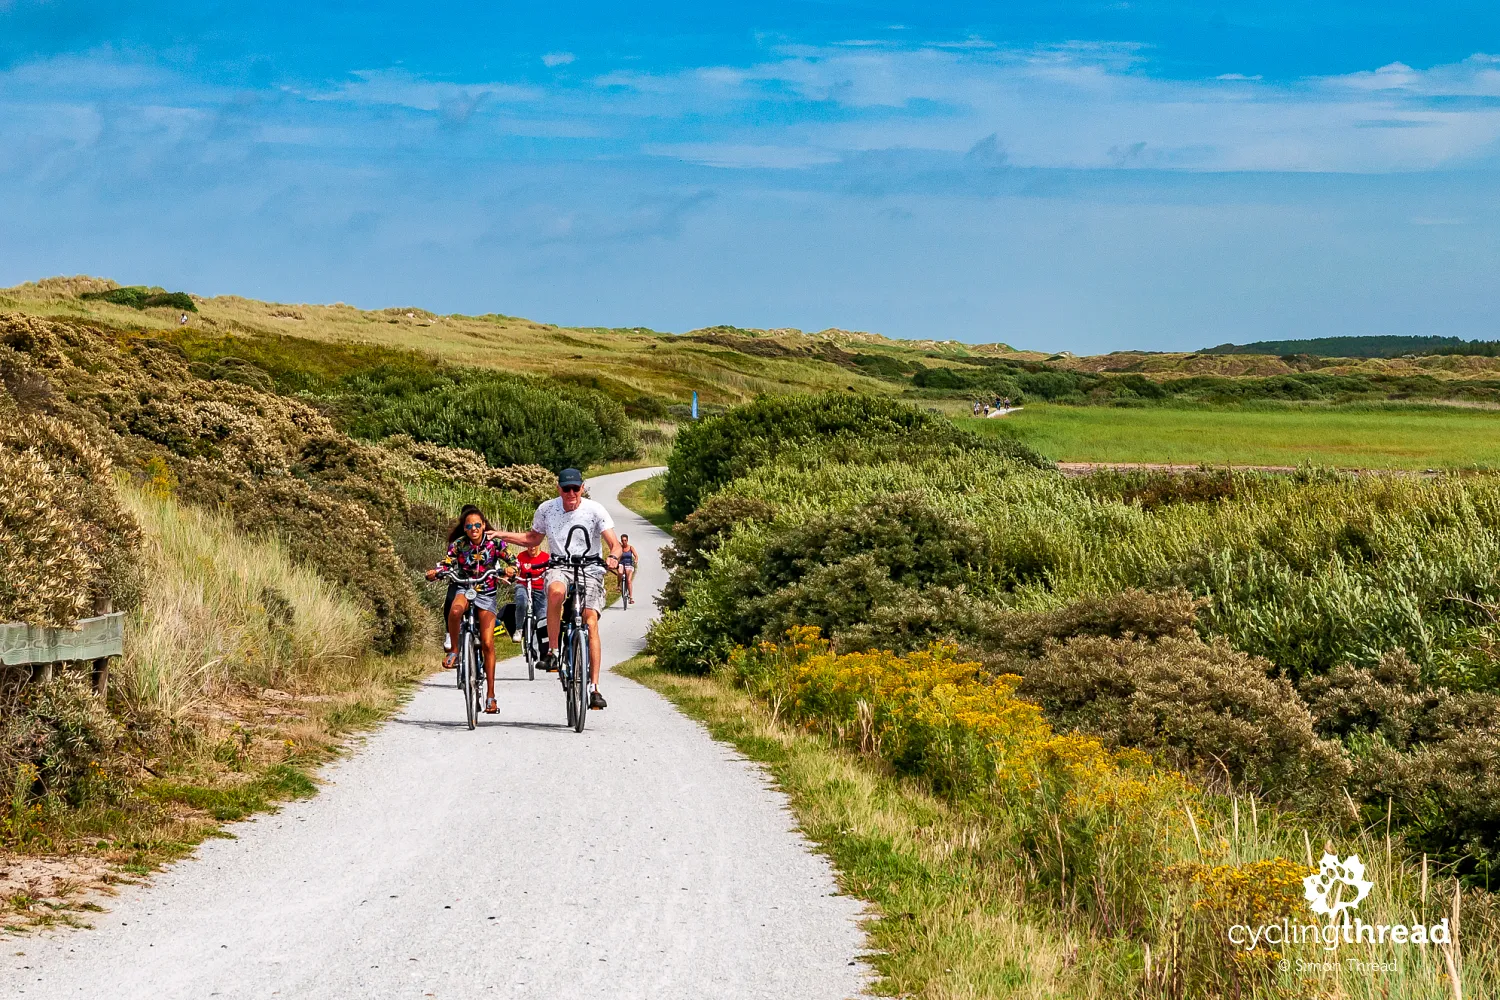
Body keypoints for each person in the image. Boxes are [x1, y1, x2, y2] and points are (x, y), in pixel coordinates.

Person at [493, 469, 621, 710]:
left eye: (575, 488)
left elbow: (613, 543)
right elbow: (532, 538)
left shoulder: (595, 510)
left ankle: (594, 688)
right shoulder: (547, 509)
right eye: (566, 489)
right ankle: (552, 650)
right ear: (558, 488)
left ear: (582, 488)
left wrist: (613, 557)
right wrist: (501, 535)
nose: (571, 493)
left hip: (590, 568)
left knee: (590, 622)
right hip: (560, 566)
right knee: (555, 592)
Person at [426, 505, 513, 715]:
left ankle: (491, 696)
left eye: (477, 525)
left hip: (487, 592)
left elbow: (512, 560)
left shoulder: (495, 543)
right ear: (464, 529)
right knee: (455, 612)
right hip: (464, 587)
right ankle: (455, 650)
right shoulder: (459, 545)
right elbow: (447, 563)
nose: (473, 529)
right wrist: (437, 572)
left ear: (483, 525)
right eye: (469, 526)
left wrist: (511, 569)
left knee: (488, 643)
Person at [511, 541, 550, 655]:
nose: (532, 547)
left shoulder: (545, 557)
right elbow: (516, 570)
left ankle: (542, 645)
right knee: (521, 601)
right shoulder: (521, 556)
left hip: (539, 587)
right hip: (523, 584)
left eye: (534, 544)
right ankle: (519, 629)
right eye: (529, 545)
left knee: (543, 615)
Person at [617, 533, 638, 604]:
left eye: (625, 540)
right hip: (622, 563)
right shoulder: (620, 548)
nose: (624, 542)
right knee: (620, 572)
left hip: (629, 564)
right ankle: (619, 585)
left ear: (627, 540)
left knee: (629, 580)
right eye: (622, 540)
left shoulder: (631, 548)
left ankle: (631, 598)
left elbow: (636, 555)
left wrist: (636, 560)